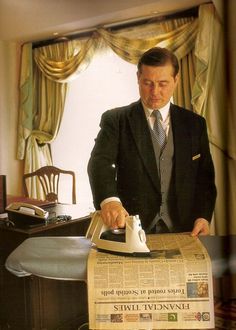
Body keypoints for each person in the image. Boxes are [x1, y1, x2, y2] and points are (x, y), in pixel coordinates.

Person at [87, 47, 217, 236]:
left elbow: (205, 179)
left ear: (176, 80)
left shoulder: (195, 124)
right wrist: (110, 201)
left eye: (163, 83)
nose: (155, 92)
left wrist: (203, 217)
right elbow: (100, 163)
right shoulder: (116, 119)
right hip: (131, 230)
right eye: (147, 83)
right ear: (138, 78)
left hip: (184, 230)